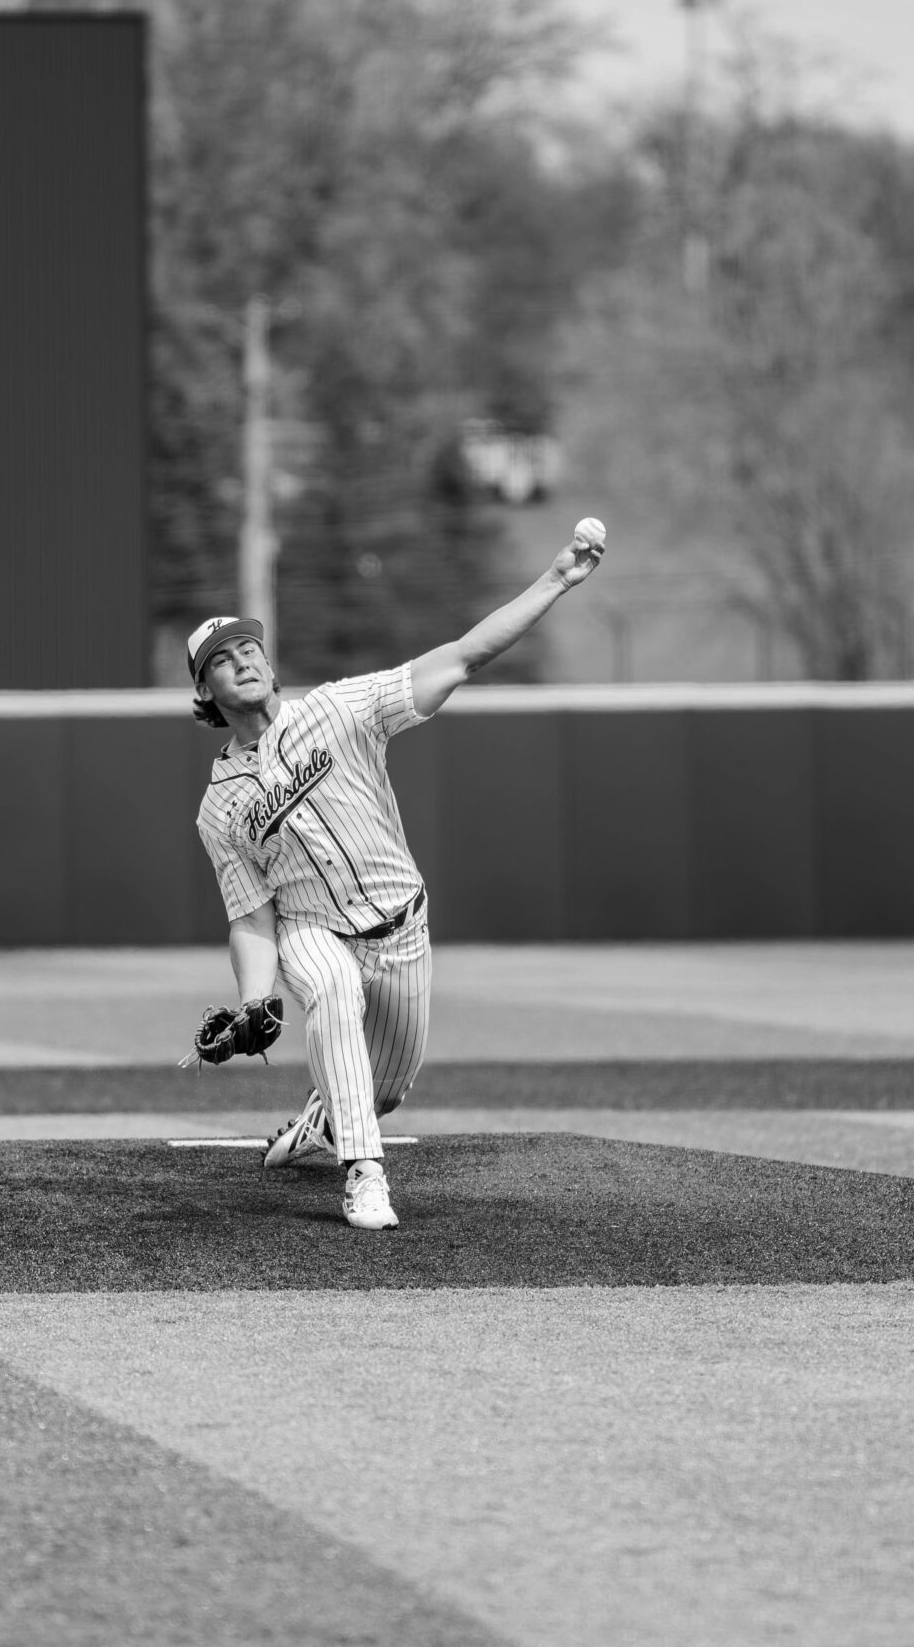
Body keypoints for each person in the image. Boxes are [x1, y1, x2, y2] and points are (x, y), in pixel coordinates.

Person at [189, 517, 606, 1229]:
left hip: (402, 927)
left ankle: (326, 1121)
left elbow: (464, 656)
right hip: (312, 931)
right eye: (223, 659)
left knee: (386, 1089)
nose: (244, 661)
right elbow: (252, 915)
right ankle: (364, 1173)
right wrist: (255, 998)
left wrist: (556, 580)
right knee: (329, 990)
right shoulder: (218, 807)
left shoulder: (340, 709)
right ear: (205, 689)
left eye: (250, 647)